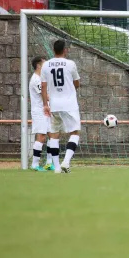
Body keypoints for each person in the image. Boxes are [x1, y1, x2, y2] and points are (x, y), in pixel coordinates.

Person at [41, 40, 81, 174]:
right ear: (65, 50)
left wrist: (45, 105)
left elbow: (44, 87)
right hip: (69, 104)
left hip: (54, 105)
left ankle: (57, 168)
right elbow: (77, 83)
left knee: (54, 135)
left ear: (53, 50)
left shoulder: (46, 65)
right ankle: (66, 161)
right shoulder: (70, 64)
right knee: (74, 133)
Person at [29, 56, 54, 171]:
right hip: (39, 111)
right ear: (39, 66)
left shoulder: (43, 78)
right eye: (44, 63)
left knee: (52, 135)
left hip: (47, 110)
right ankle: (35, 164)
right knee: (41, 136)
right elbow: (44, 95)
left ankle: (49, 163)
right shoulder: (35, 79)